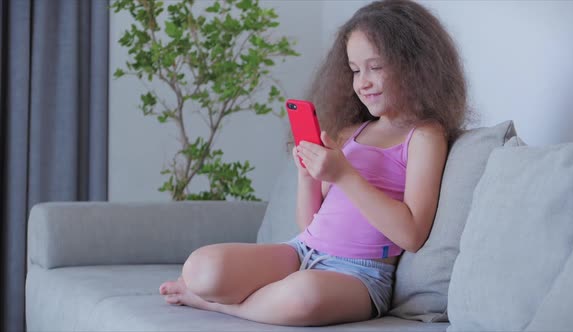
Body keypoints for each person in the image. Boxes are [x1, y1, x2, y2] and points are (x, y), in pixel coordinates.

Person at [159, 0, 468, 326]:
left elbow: (411, 234)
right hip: (302, 251)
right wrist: (307, 175)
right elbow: (308, 225)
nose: (362, 82)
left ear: (414, 64)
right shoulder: (351, 132)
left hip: (360, 274)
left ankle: (220, 306)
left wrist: (345, 175)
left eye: (375, 67)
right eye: (355, 70)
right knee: (201, 267)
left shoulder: (423, 136)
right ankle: (244, 297)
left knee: (302, 296)